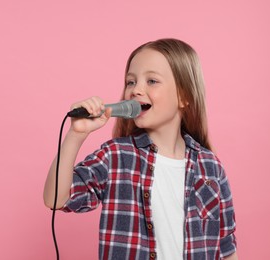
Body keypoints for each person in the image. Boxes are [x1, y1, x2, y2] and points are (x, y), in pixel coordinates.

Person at [43, 38, 237, 259]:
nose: (136, 90)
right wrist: (75, 136)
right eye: (131, 82)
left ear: (184, 96)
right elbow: (56, 199)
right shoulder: (116, 156)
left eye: (152, 81)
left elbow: (226, 246)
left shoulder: (210, 166)